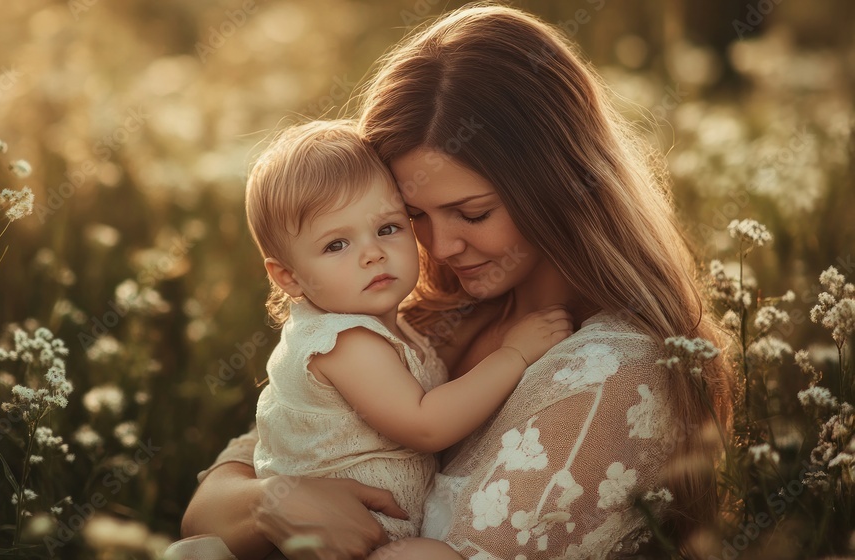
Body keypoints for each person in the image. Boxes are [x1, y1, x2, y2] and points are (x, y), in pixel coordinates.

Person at [178, 5, 735, 559]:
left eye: (471, 214)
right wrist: (278, 497)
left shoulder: (611, 373)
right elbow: (208, 510)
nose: (438, 248)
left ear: (556, 185)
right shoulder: (407, 317)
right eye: (414, 216)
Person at [241, 119, 571, 549]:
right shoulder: (343, 342)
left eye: (388, 228)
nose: (373, 253)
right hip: (330, 543)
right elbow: (426, 425)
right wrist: (514, 354)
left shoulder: (388, 329)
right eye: (336, 245)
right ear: (289, 278)